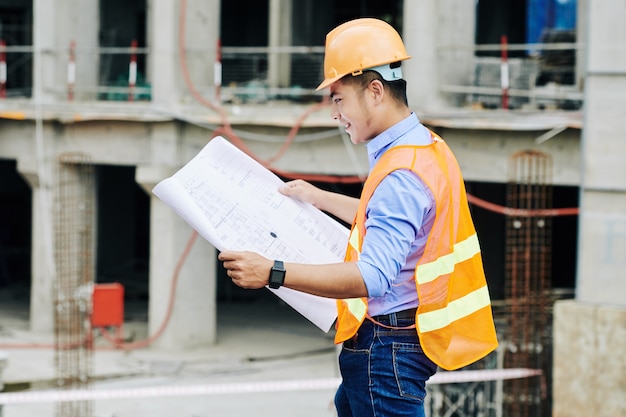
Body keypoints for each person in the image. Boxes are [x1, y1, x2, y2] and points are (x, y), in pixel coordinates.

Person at [218, 17, 498, 417]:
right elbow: (390, 222)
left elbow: (372, 276)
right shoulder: (427, 149)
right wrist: (321, 198)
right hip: (398, 343)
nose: (335, 113)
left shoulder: (400, 174)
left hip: (386, 352)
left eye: (338, 98)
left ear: (375, 91)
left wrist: (272, 272)